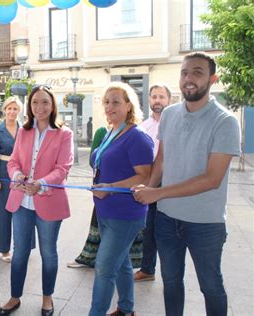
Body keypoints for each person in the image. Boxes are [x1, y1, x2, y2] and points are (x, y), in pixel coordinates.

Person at [133, 52, 241, 316]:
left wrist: (158, 192)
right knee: (170, 283)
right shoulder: (169, 114)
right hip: (167, 220)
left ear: (212, 79)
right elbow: (162, 160)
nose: (189, 79)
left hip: (205, 223)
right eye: (184, 72)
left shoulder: (225, 121)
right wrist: (148, 190)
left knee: (211, 286)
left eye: (197, 72)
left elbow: (212, 179)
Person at [0, 86, 74, 316]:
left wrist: (40, 183)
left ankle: (47, 298)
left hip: (48, 199)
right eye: (35, 103)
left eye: (45, 103)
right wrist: (17, 176)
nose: (39, 108)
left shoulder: (64, 134)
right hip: (22, 201)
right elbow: (14, 162)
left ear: (53, 106)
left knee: (48, 252)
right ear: (29, 107)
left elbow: (63, 168)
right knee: (19, 251)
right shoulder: (24, 131)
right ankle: (14, 297)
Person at [89, 82, 154, 316]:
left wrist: (111, 187)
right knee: (123, 262)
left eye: (116, 102)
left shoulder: (137, 136)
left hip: (125, 215)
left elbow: (145, 177)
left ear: (129, 106)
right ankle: (126, 309)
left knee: (104, 268)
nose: (109, 106)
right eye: (106, 102)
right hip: (106, 211)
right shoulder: (111, 132)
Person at [133, 84, 172, 282]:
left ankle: (170, 273)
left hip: (170, 182)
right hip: (149, 181)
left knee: (166, 229)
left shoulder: (175, 123)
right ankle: (147, 269)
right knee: (149, 227)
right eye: (154, 96)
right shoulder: (142, 127)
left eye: (162, 97)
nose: (158, 100)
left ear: (169, 100)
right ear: (149, 100)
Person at [67, 125, 107, 268]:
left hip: (121, 193)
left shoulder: (134, 133)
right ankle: (91, 257)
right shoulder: (103, 131)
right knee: (98, 224)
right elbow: (93, 160)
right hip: (101, 187)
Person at [0, 97, 23, 262]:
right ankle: (4, 250)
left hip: (21, 173)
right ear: (4, 110)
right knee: (3, 212)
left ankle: (23, 246)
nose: (12, 112)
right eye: (9, 108)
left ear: (19, 111)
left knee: (23, 210)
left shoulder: (25, 129)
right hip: (3, 171)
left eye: (15, 109)